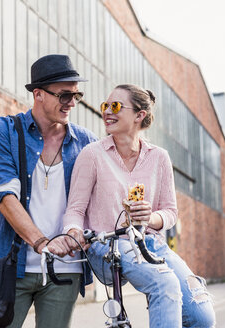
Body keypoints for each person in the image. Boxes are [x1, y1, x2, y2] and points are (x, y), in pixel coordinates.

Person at [63, 84, 216, 328]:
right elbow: (75, 210)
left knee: (201, 316)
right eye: (105, 106)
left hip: (149, 242)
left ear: (139, 115)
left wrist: (150, 218)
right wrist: (73, 232)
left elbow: (170, 212)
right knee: (164, 283)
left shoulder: (159, 157)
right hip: (107, 244)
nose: (106, 112)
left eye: (115, 106)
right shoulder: (92, 155)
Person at [0, 54, 97, 328]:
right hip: (14, 267)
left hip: (66, 269)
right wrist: (42, 243)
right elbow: (5, 198)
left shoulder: (86, 142)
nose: (71, 103)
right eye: (63, 95)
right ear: (38, 94)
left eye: (75, 95)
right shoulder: (5, 132)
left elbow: (99, 200)